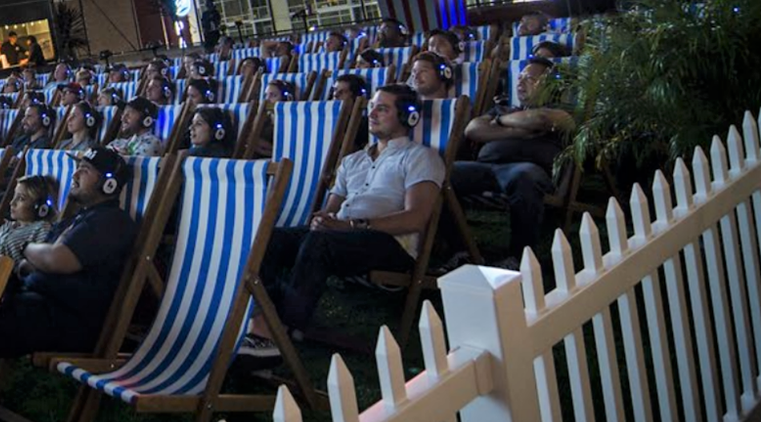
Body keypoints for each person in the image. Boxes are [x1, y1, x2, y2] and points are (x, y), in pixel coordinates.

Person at [237, 85, 444, 363]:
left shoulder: (420, 157)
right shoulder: (352, 160)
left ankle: (280, 333)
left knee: (319, 243)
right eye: (371, 107)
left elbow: (416, 218)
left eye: (382, 109)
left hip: (391, 243)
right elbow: (331, 209)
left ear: (408, 117)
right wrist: (322, 219)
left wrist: (354, 226)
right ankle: (265, 321)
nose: (372, 114)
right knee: (272, 239)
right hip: (342, 236)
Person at [0, 148, 137, 357]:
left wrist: (26, 248)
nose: (75, 175)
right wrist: (38, 258)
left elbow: (55, 259)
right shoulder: (76, 220)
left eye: (85, 170)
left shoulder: (112, 222)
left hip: (65, 319)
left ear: (109, 184)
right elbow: (31, 263)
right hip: (36, 303)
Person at [453, 58, 573, 262]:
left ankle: (518, 257)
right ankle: (458, 249)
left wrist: (498, 123)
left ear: (550, 87)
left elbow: (541, 119)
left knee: (524, 176)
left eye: (530, 78)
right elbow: (472, 129)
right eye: (519, 77)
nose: (520, 82)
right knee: (443, 174)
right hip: (485, 168)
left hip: (527, 170)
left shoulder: (562, 111)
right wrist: (516, 130)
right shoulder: (503, 108)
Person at [0, 175, 59, 264]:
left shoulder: (41, 228)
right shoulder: (7, 226)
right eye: (14, 196)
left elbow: (39, 263)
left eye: (21, 198)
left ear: (40, 207)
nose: (12, 203)